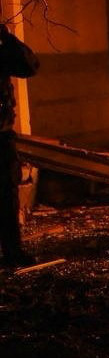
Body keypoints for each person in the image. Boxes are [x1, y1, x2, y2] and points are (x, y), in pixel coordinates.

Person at [0, 23, 38, 268]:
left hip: (1, 137)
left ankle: (13, 252)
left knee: (6, 197)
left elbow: (29, 66)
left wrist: (7, 39)